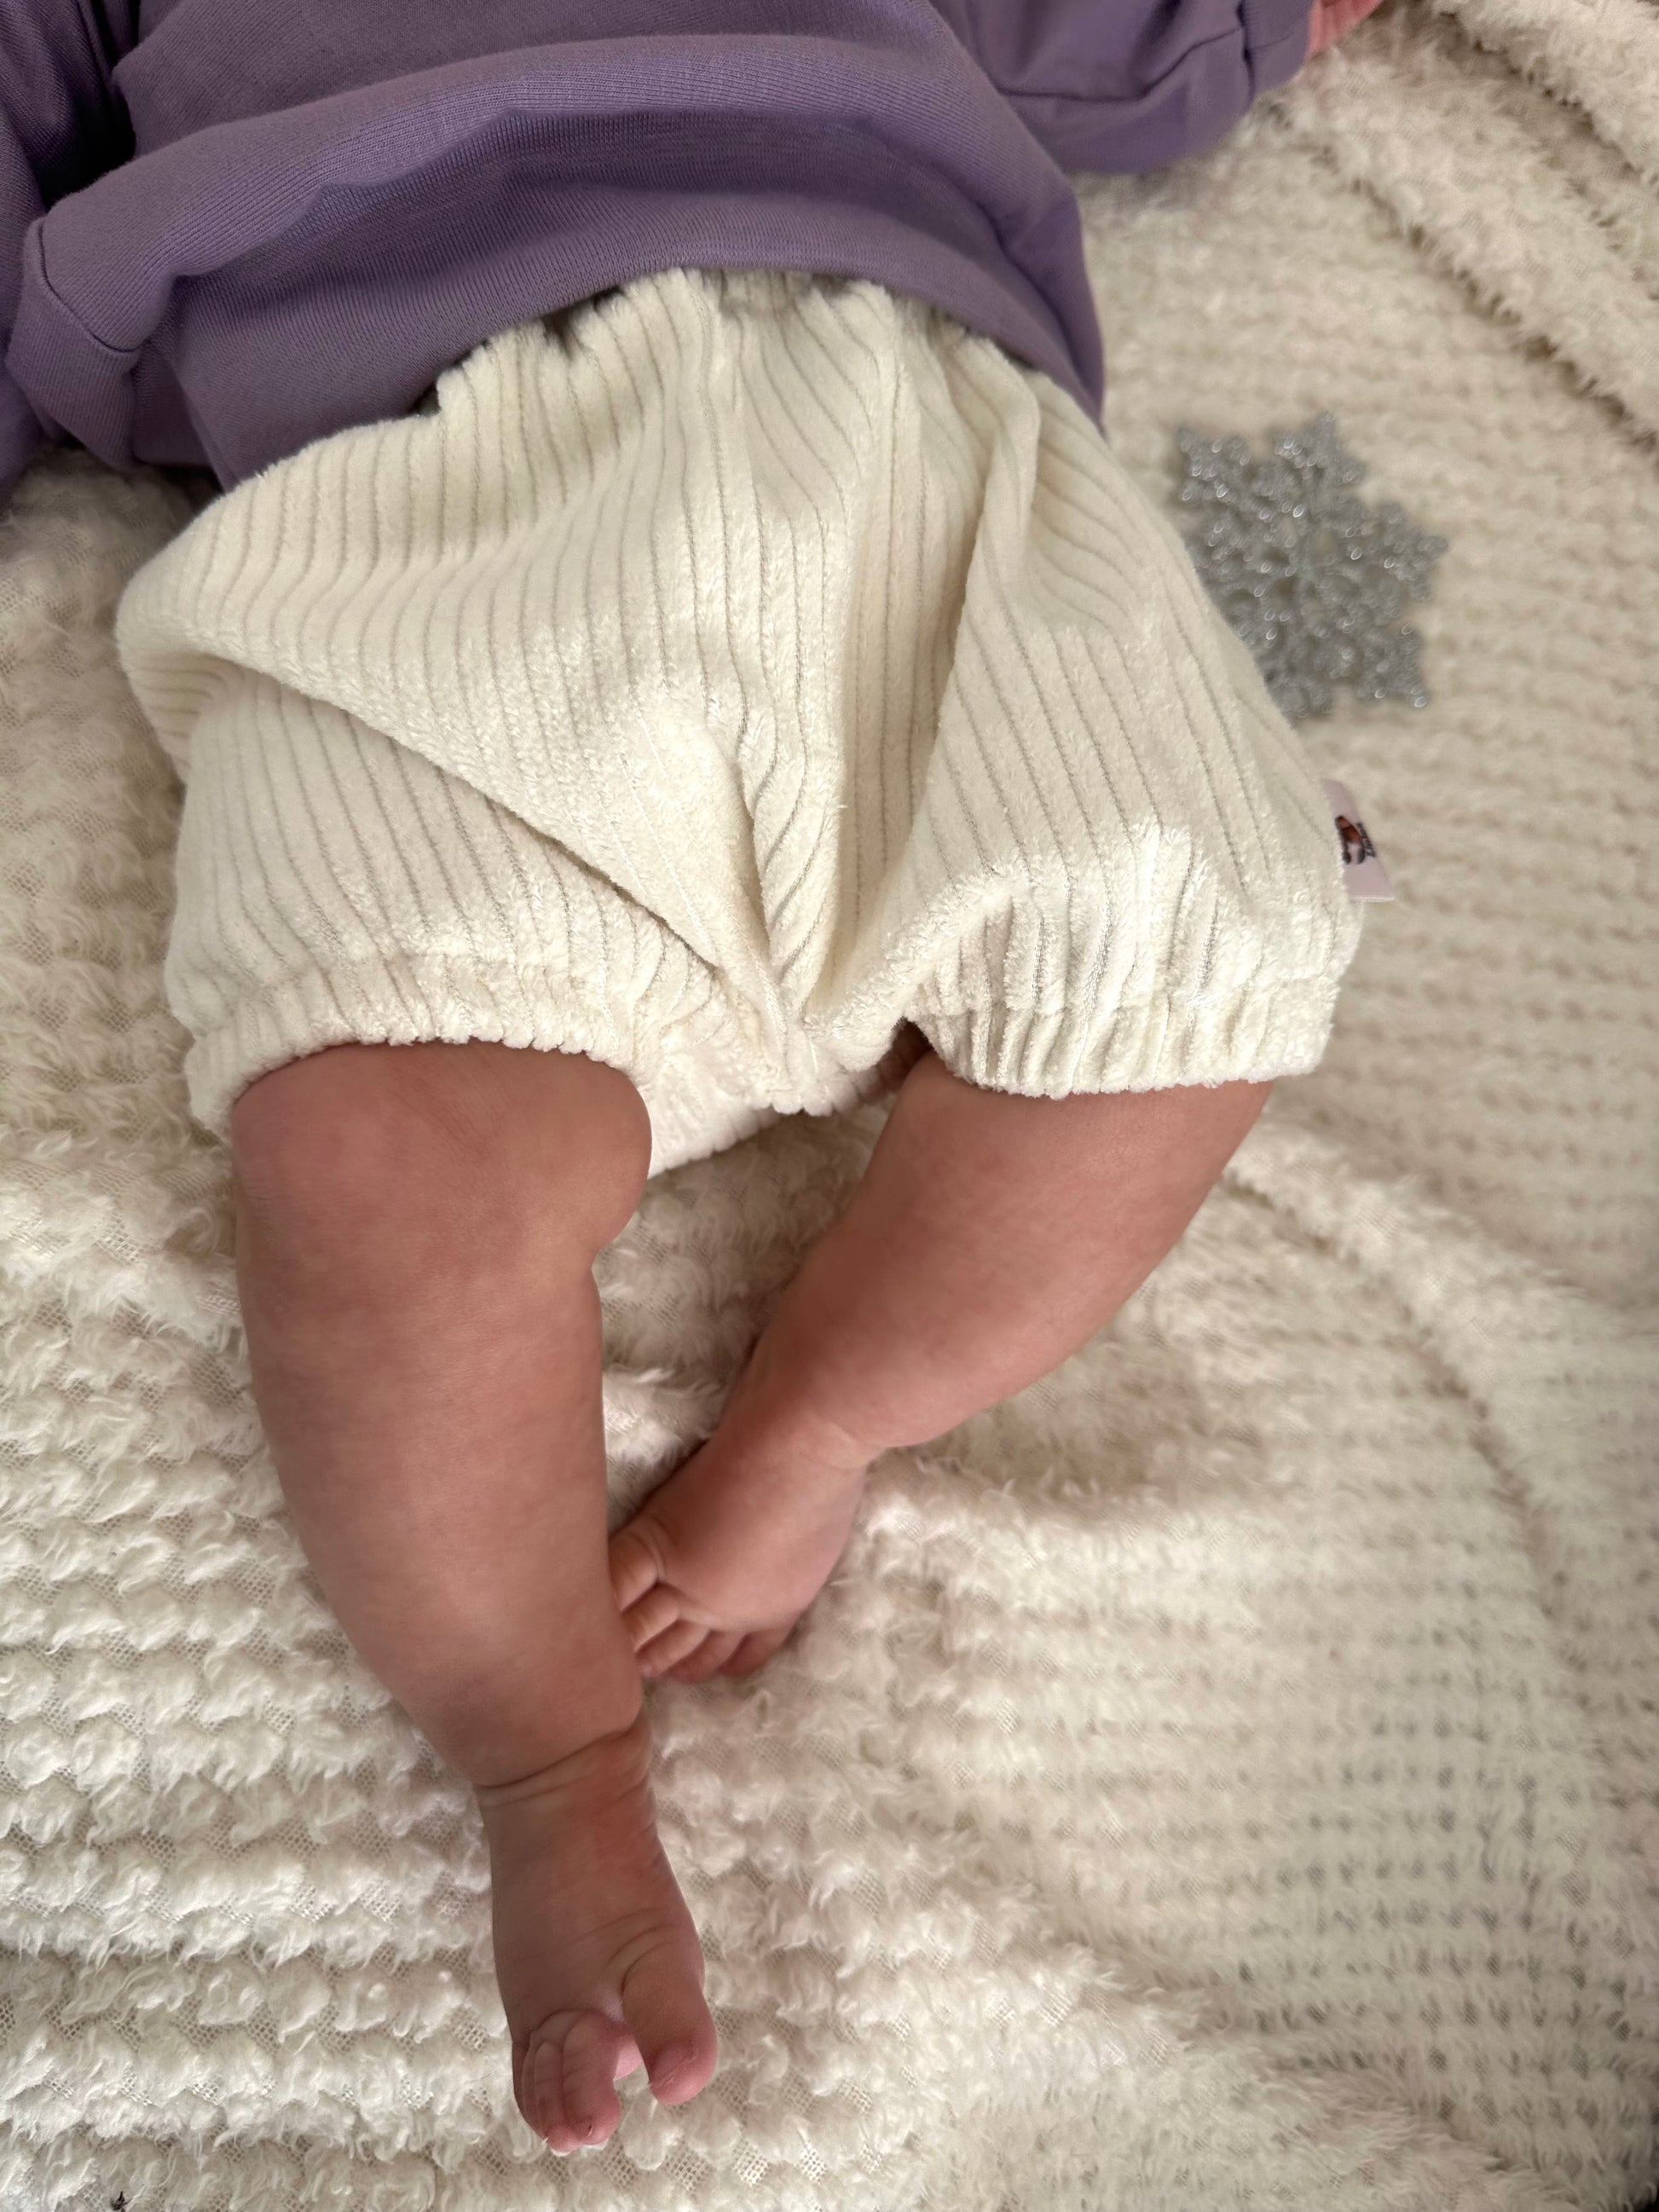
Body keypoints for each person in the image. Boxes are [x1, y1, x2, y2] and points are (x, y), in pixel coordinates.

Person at [2, 0, 1383, 2156]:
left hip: (898, 427)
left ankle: (825, 1407)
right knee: (368, 1152)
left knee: (1210, 916)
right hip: (429, 522)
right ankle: (548, 1750)